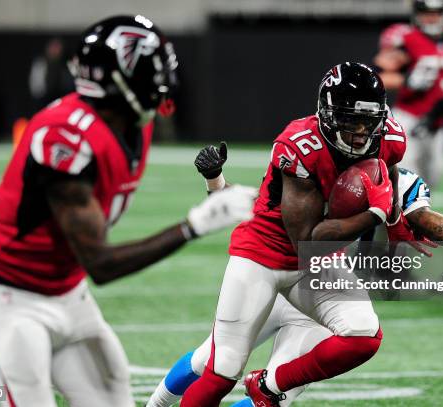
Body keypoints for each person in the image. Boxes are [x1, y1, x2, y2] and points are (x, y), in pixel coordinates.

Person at [0, 15, 256, 407]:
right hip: (11, 296)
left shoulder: (135, 124)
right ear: (116, 79)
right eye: (153, 73)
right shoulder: (65, 135)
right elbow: (101, 264)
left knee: (113, 398)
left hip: (67, 289)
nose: (161, 84)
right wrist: (193, 226)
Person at [147, 157, 443, 406]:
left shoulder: (396, 180)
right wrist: (216, 182)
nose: (361, 134)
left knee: (275, 397)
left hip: (321, 283)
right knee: (210, 360)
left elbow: (432, 222)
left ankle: (266, 384)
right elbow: (258, 208)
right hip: (271, 272)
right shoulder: (313, 159)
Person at [176, 61, 424, 406]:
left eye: (369, 121)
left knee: (363, 335)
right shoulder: (300, 145)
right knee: (221, 369)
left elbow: (387, 176)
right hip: (264, 256)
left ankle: (269, 384)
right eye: (351, 120)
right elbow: (306, 241)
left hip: (319, 266)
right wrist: (374, 214)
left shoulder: (390, 139)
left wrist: (395, 225)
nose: (360, 132)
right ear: (326, 114)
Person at [374, 0, 443, 186]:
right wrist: (406, 81)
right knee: (403, 177)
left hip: (437, 122)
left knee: (432, 178)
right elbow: (376, 76)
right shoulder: (404, 38)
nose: (431, 17)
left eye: (436, 12)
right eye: (426, 12)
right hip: (408, 118)